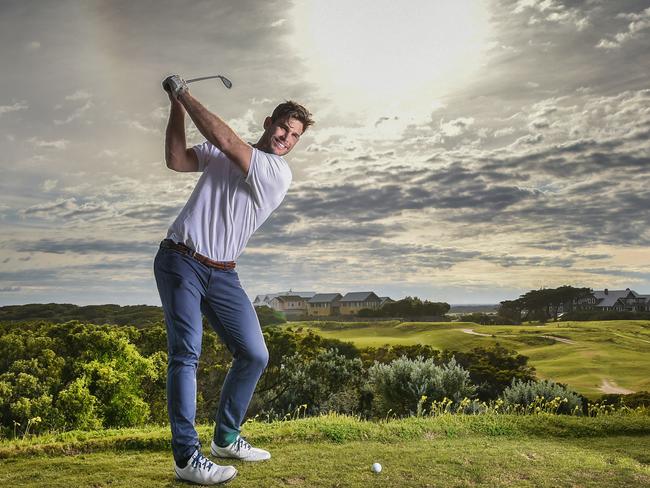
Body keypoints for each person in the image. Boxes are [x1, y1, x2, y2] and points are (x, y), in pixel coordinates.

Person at [154, 74, 313, 485]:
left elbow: (227, 142)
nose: (285, 137)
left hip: (223, 272)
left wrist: (184, 91)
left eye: (294, 135)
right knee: (186, 354)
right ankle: (187, 457)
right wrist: (175, 104)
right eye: (282, 126)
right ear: (267, 122)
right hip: (180, 260)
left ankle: (225, 438)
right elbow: (176, 159)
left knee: (255, 354)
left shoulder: (276, 173)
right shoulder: (226, 152)